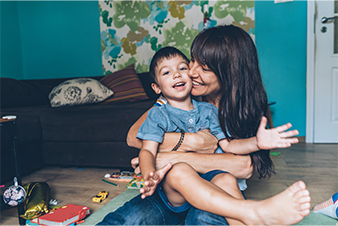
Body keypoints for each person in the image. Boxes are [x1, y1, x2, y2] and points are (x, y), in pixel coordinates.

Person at [97, 25, 310, 225]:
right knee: (122, 220)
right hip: (172, 191)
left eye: (204, 68)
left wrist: (168, 157)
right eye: (193, 61)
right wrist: (191, 141)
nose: (190, 72)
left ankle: (253, 214)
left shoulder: (236, 108)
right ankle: (252, 212)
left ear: (230, 73)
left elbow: (244, 166)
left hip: (216, 187)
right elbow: (134, 137)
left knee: (209, 206)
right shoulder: (174, 99)